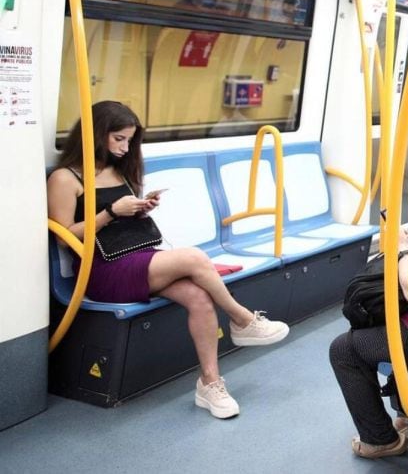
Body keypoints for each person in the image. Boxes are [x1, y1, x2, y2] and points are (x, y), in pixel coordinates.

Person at [46, 101, 289, 419]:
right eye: (119, 138)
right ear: (96, 134)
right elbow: (63, 235)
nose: (125, 146)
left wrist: (139, 207)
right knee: (194, 257)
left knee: (199, 297)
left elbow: (122, 217)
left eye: (130, 140)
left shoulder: (119, 170)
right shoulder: (66, 178)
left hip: (138, 257)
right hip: (102, 270)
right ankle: (241, 319)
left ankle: (210, 384)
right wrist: (109, 212)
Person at [329, 229, 408, 459]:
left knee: (344, 349)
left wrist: (402, 249)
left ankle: (380, 441)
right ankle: (406, 414)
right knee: (383, 327)